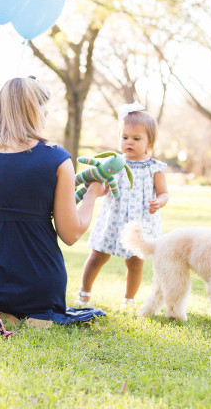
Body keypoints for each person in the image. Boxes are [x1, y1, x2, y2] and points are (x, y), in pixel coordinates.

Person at [0, 77, 107, 326]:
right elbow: (71, 233)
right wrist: (91, 194)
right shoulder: (56, 158)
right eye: (44, 112)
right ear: (35, 113)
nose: (45, 119)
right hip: (38, 288)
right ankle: (30, 316)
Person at [75, 102, 169, 307]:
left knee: (135, 261)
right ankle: (84, 292)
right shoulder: (114, 164)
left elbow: (163, 193)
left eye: (136, 139)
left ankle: (129, 298)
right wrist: (98, 189)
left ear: (149, 141)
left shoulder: (155, 167)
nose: (129, 142)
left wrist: (158, 202)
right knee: (98, 255)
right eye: (124, 137)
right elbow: (104, 188)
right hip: (113, 219)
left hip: (139, 223)